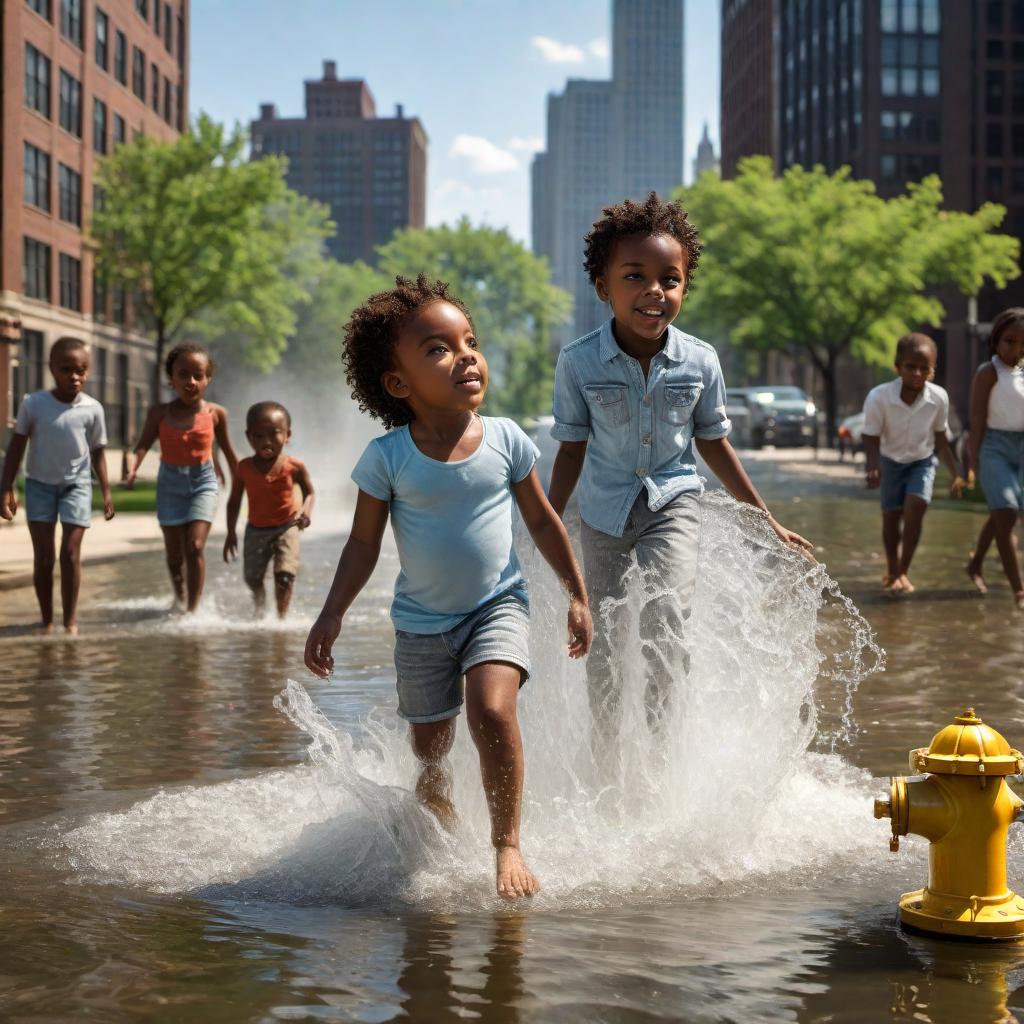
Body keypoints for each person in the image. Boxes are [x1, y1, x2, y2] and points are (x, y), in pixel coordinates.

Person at [304, 275, 592, 900]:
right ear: (398, 384)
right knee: (430, 758)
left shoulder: (509, 440)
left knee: (491, 709)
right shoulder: (387, 458)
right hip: (421, 625)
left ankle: (507, 843)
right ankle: (436, 827)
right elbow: (362, 545)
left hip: (497, 607)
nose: (465, 354)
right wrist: (331, 615)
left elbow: (541, 520)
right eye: (438, 348)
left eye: (469, 340)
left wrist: (575, 592)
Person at [546, 193, 812, 740]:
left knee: (664, 623)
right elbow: (571, 448)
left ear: (684, 288)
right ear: (603, 287)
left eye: (670, 279)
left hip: (673, 503)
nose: (654, 291)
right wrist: (547, 520)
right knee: (604, 639)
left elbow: (714, 444)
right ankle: (608, 756)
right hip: (602, 513)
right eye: (635, 277)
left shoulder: (700, 360)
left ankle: (663, 757)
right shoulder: (577, 362)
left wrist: (766, 519)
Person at [0, 337, 114, 633]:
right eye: (66, 369)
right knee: (44, 556)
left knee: (71, 552)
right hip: (39, 485)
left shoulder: (93, 409)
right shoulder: (34, 404)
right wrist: (7, 486)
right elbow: (17, 446)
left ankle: (70, 621)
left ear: (88, 371)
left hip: (77, 486)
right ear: (52, 368)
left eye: (81, 370)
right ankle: (47, 619)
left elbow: (98, 451)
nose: (74, 376)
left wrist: (107, 490)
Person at [126, 344, 237, 612]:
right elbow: (142, 444)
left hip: (203, 482)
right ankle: (179, 597)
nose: (191, 381)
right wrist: (132, 466)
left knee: (195, 545)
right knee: (175, 555)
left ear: (208, 379)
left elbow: (228, 451)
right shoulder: (159, 413)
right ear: (171, 378)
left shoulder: (216, 413)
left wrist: (240, 484)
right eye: (183, 374)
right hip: (169, 485)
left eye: (198, 375)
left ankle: (193, 610)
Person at [862, 332, 966, 594]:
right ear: (897, 366)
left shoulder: (938, 398)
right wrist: (872, 465)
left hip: (922, 460)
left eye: (924, 368)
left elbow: (941, 438)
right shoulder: (879, 397)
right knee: (891, 518)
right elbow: (871, 435)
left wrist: (957, 473)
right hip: (890, 461)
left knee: (916, 505)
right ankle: (891, 568)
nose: (917, 373)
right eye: (911, 367)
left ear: (933, 370)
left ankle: (904, 572)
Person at [223, 401, 314, 618]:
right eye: (259, 436)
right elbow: (234, 502)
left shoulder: (295, 466)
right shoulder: (243, 468)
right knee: (252, 578)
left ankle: (281, 620)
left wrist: (306, 513)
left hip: (287, 527)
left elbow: (309, 493)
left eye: (274, 434)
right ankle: (260, 608)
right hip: (256, 530)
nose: (267, 442)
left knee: (284, 575)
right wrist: (230, 533)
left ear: (287, 434)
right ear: (248, 437)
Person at [965, 308, 1024, 607]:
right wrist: (972, 459)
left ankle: (975, 564)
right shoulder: (988, 372)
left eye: (1022, 343)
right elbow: (976, 417)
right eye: (1009, 341)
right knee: (1005, 511)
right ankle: (1019, 590)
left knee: (1006, 510)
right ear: (996, 340)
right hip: (994, 445)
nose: (1016, 349)